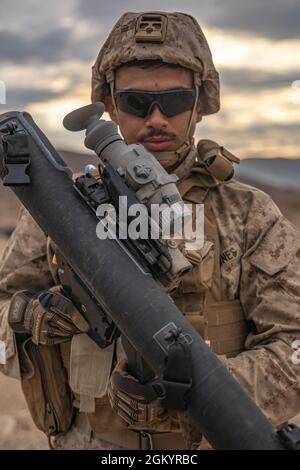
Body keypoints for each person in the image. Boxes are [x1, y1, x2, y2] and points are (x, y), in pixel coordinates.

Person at [0, 11, 299, 451]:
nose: (156, 118)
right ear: (111, 106)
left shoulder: (249, 215)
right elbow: (5, 304)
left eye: (174, 101)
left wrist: (192, 394)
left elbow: (293, 349)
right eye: (138, 102)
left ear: (199, 104)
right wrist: (28, 317)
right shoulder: (61, 212)